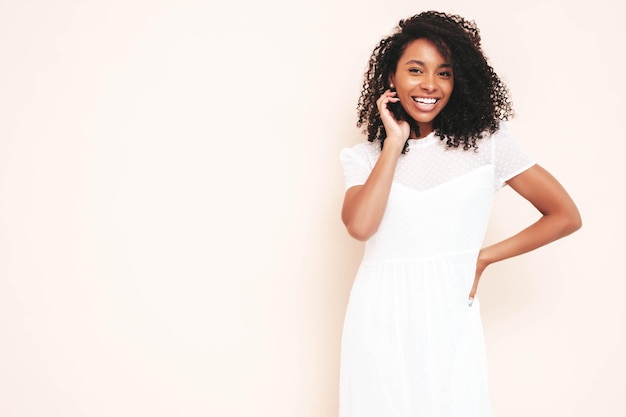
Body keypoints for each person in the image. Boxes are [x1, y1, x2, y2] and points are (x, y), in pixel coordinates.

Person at [338, 10, 581, 417]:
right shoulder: (364, 158)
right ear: (392, 79)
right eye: (415, 70)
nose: (430, 84)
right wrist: (394, 143)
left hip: (449, 309)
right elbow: (361, 226)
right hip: (378, 315)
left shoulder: (488, 145)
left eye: (444, 73)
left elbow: (565, 215)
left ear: (459, 81)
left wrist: (482, 259)